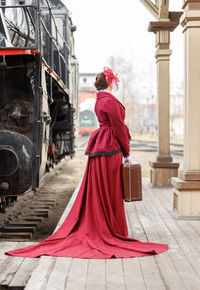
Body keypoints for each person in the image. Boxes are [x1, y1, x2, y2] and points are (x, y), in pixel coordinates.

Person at [5, 67, 168, 258]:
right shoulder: (110, 101)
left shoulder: (100, 101)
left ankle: (101, 224)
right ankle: (112, 230)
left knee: (100, 190)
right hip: (111, 148)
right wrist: (126, 151)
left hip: (99, 146)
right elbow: (118, 127)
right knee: (111, 190)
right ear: (110, 83)